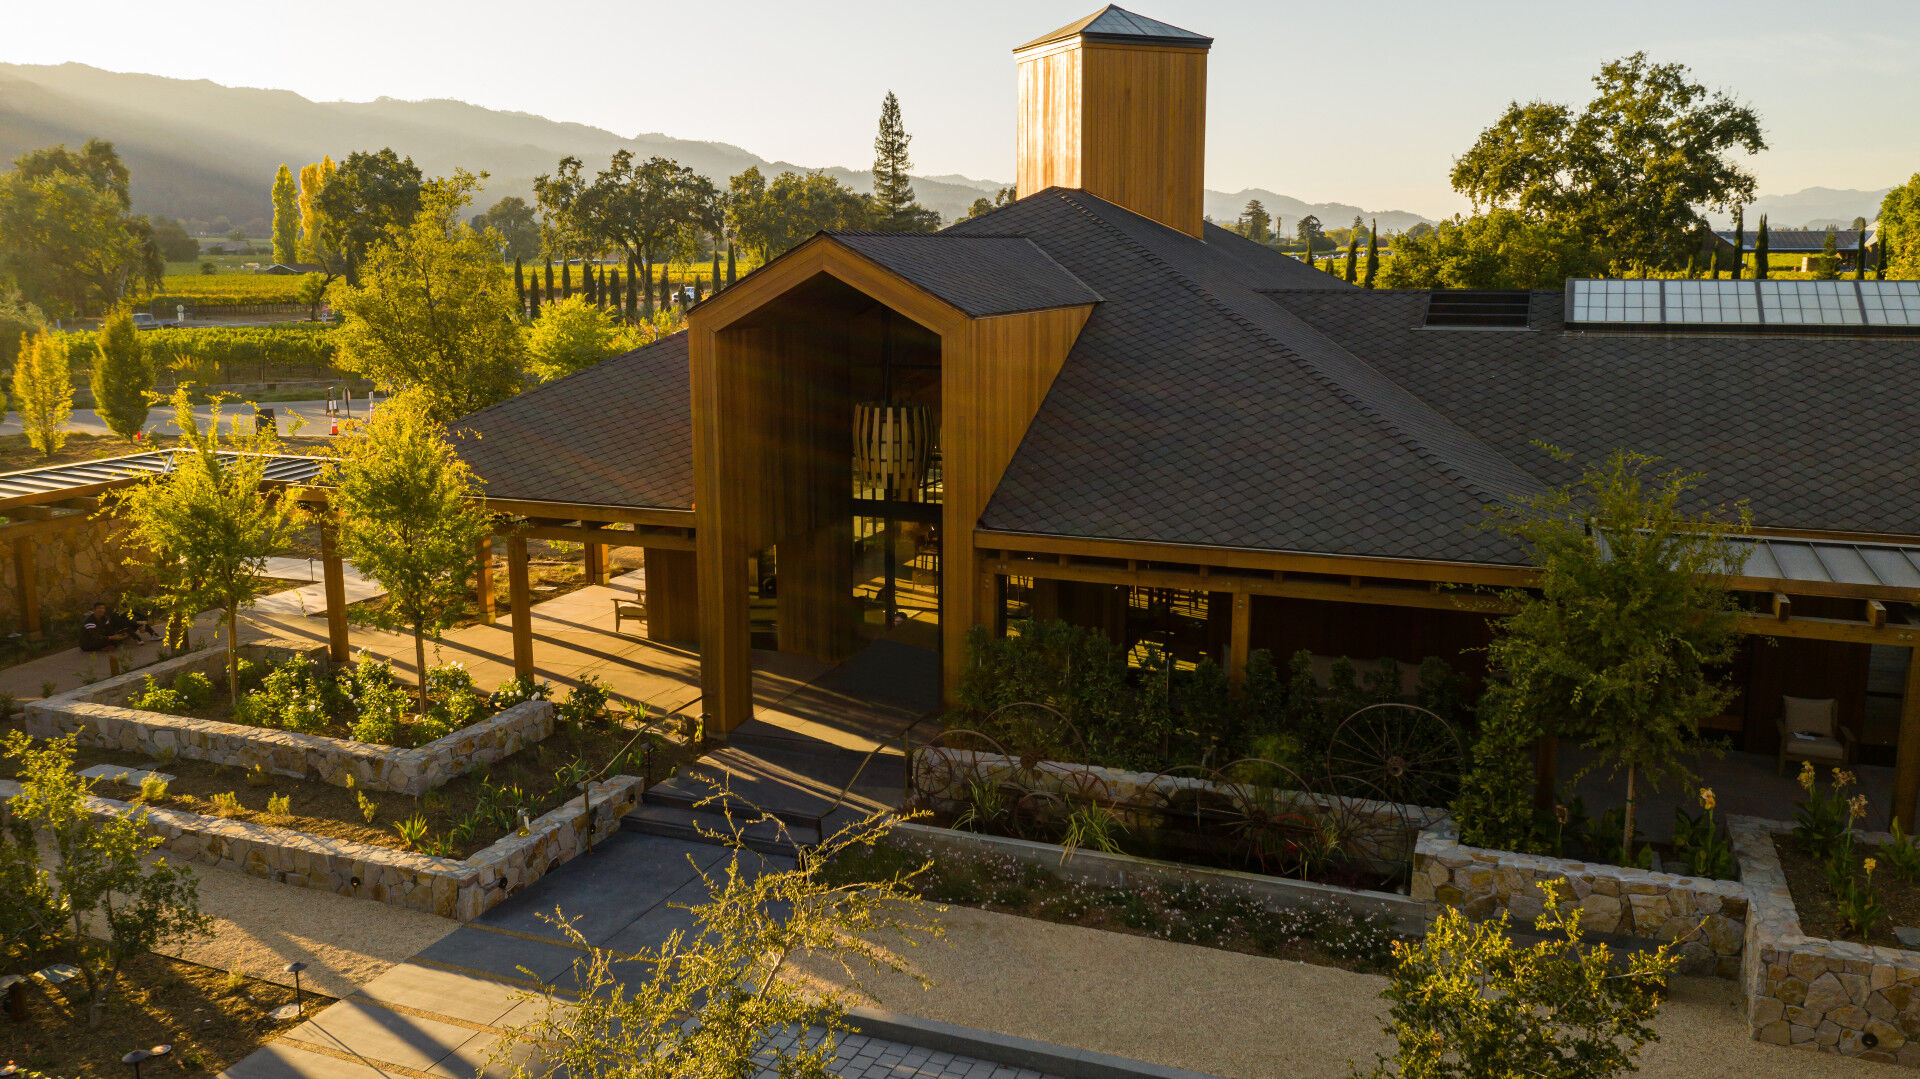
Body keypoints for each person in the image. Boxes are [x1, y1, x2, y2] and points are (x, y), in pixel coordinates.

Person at [79, 600, 159, 652]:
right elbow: (95, 636)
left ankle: (109, 644)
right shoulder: (90, 622)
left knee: (119, 638)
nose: (101, 610)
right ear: (94, 610)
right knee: (109, 640)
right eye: (99, 608)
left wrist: (116, 635)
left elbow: (109, 629)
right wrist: (112, 637)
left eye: (103, 608)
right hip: (89, 642)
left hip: (102, 636)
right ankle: (102, 648)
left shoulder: (104, 618)